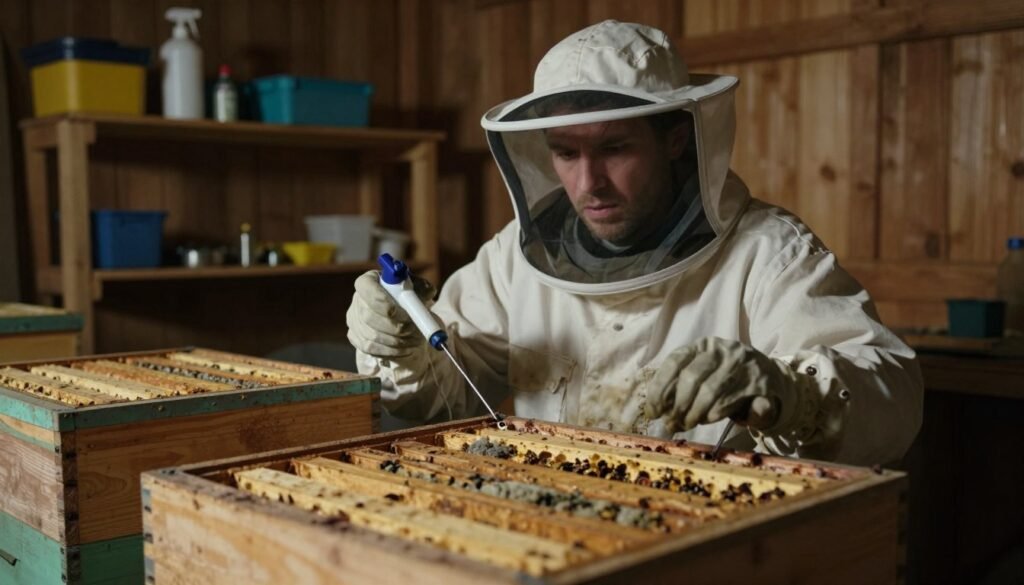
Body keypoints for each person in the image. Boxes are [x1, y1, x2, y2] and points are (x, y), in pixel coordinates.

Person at [346, 20, 922, 465]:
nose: (586, 183)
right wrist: (400, 346)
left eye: (614, 148)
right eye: (565, 154)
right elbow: (440, 394)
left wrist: (792, 394)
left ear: (676, 139)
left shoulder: (768, 254)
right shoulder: (514, 259)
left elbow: (893, 398)